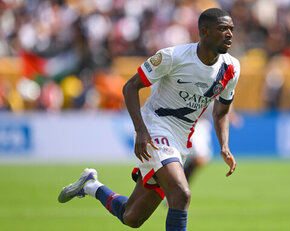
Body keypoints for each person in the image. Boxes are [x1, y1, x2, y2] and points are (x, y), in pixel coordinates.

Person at [58, 8, 240, 230]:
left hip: (181, 139)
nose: (229, 33)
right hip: (156, 128)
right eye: (222, 29)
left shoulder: (231, 68)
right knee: (181, 194)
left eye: (231, 29)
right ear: (204, 31)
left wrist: (224, 146)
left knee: (132, 217)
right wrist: (141, 130)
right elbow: (130, 87)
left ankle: (91, 186)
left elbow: (221, 111)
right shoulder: (173, 57)